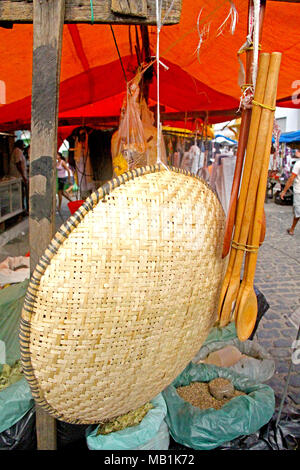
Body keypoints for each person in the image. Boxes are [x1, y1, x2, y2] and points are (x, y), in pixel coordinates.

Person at [280, 148, 300, 235]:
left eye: (297, 151)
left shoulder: (298, 164)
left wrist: (284, 191)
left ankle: (292, 229)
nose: (295, 152)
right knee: (297, 212)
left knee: (297, 212)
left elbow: (291, 178)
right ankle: (292, 229)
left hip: (298, 191)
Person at [9, 139, 29, 213]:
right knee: (21, 193)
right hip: (18, 176)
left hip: (20, 176)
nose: (24, 146)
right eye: (23, 145)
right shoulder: (17, 151)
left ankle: (23, 208)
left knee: (22, 193)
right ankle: (22, 209)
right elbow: (18, 164)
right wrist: (23, 176)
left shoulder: (18, 151)